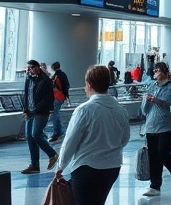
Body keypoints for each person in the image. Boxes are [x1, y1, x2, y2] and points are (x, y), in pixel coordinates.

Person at [54, 65, 130, 205]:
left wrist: (60, 166)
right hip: (112, 168)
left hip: (86, 169)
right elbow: (125, 139)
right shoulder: (121, 110)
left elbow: (70, 141)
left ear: (89, 84)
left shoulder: (85, 110)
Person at [140, 62, 171, 196]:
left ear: (165, 72)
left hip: (166, 126)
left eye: (158, 70)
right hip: (151, 126)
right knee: (153, 156)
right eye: (155, 71)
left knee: (163, 152)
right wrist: (147, 101)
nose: (155, 73)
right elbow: (144, 110)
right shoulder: (151, 86)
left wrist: (158, 101)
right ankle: (155, 186)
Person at [21, 59, 58, 174]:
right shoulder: (29, 80)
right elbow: (26, 95)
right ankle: (34, 165)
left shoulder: (46, 81)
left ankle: (52, 154)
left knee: (36, 134)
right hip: (30, 112)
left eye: (31, 68)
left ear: (37, 68)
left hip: (41, 112)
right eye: (28, 68)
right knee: (29, 136)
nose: (29, 70)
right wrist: (26, 109)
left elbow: (48, 97)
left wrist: (37, 108)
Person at [49, 61, 71, 142]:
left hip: (57, 97)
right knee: (55, 114)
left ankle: (57, 132)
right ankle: (59, 131)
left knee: (54, 114)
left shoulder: (56, 76)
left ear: (53, 67)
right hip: (61, 97)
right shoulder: (62, 74)